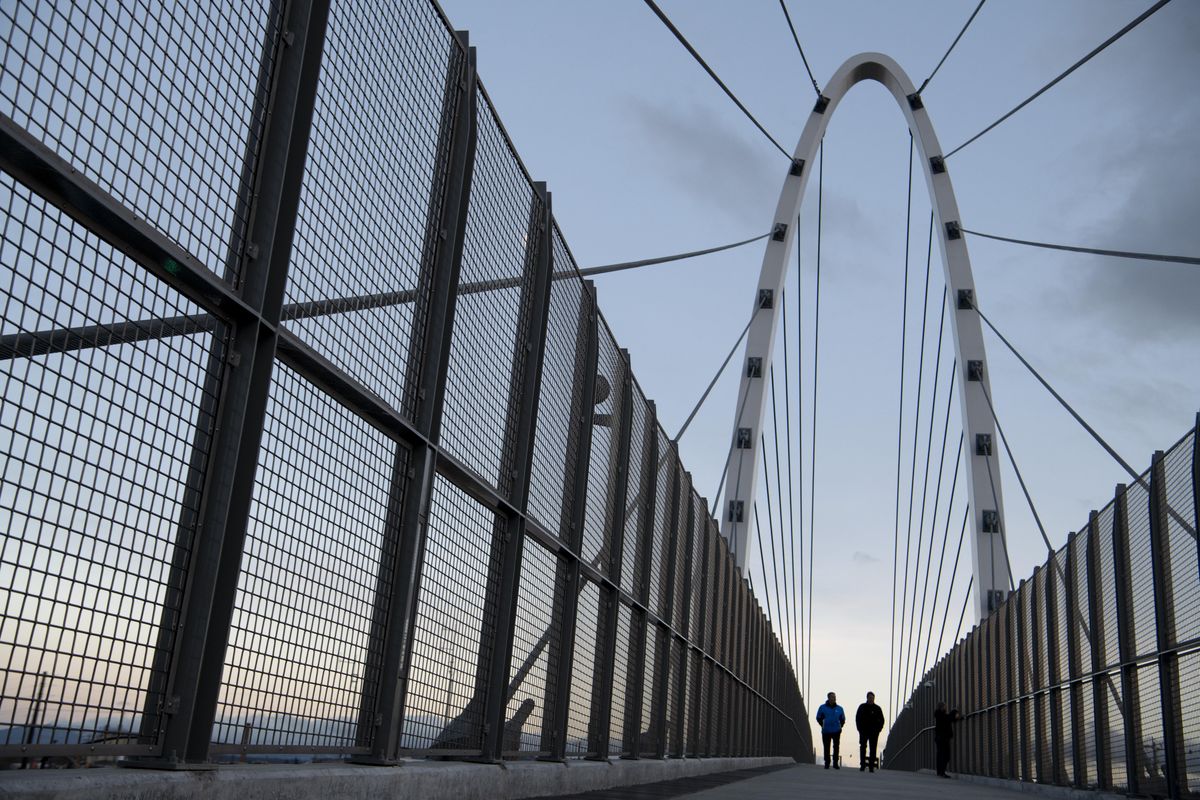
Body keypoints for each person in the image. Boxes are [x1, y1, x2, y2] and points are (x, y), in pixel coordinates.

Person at [815, 691, 846, 769]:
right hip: (826, 731)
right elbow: (818, 717)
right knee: (826, 747)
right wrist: (823, 725)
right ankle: (827, 762)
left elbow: (843, 719)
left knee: (836, 747)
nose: (834, 698)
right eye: (832, 697)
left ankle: (835, 763)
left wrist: (840, 726)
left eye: (834, 697)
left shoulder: (840, 708)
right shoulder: (822, 707)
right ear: (828, 698)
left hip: (836, 731)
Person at [855, 691, 885, 772]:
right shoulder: (862, 707)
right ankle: (863, 765)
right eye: (870, 698)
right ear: (867, 698)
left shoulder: (877, 708)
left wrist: (879, 729)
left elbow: (882, 720)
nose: (871, 699)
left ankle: (871, 766)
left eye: (872, 698)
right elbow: (857, 718)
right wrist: (859, 729)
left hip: (874, 732)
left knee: (873, 748)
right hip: (863, 731)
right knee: (863, 747)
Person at [934, 701, 962, 777]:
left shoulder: (939, 715)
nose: (946, 708)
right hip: (943, 738)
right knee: (945, 755)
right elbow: (948, 719)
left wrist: (955, 716)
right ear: (942, 707)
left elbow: (948, 719)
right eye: (945, 706)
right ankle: (942, 772)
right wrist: (955, 711)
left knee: (941, 755)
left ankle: (940, 772)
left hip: (940, 738)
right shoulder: (940, 715)